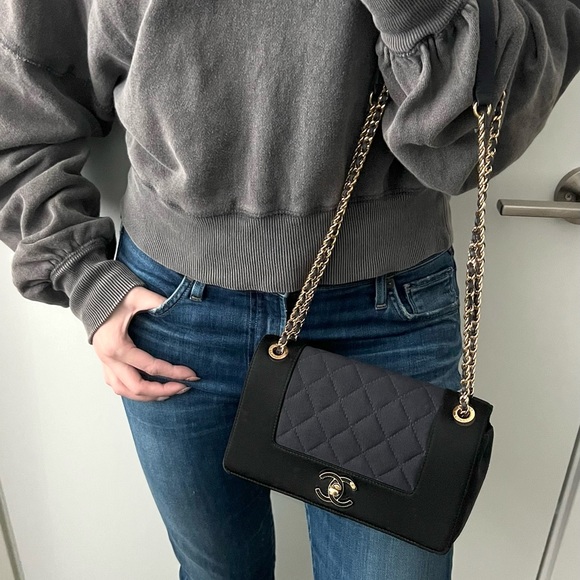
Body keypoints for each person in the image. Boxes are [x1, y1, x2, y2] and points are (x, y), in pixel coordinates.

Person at [1, 1, 579, 578]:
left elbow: (478, 134)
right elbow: (22, 92)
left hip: (385, 318)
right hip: (173, 313)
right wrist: (78, 272)